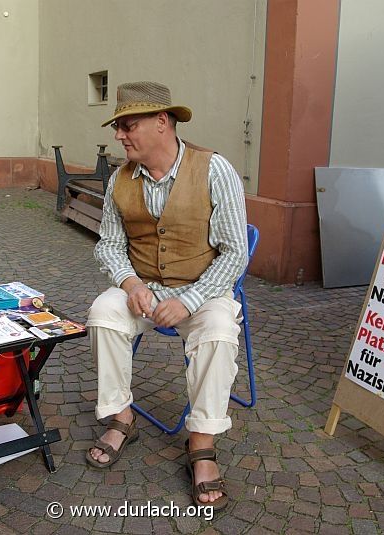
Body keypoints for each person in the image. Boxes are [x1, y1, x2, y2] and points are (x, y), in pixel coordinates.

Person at [85, 81, 248, 510]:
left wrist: (191, 301)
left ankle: (202, 444)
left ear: (162, 122)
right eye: (118, 126)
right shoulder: (120, 179)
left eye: (127, 125)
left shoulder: (214, 169)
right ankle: (122, 417)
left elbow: (235, 253)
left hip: (202, 288)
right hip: (145, 289)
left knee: (217, 330)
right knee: (103, 312)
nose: (119, 134)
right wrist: (131, 284)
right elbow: (108, 245)